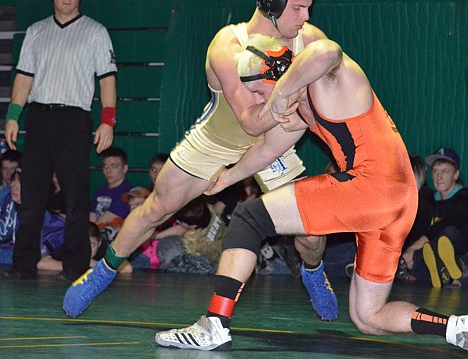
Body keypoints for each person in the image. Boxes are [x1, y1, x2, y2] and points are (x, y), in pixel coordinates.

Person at [154, 35, 468, 352]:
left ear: (275, 72)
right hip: (397, 202)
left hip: (372, 184)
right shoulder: (299, 110)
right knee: (368, 317)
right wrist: (225, 179)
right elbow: (267, 149)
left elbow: (327, 50)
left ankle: (214, 325)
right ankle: (456, 328)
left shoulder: (330, 80)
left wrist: (281, 94)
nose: (259, 101)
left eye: (259, 90)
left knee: (250, 218)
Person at [63, 0, 338, 321]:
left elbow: (329, 99)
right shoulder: (227, 45)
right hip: (220, 137)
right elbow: (247, 121)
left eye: (308, 8)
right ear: (271, 2)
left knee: (311, 229)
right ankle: (102, 271)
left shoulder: (311, 41)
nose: (305, 17)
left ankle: (314, 273)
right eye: (298, 8)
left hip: (275, 143)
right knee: (158, 206)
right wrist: (284, 107)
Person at [3, 0, 117, 281]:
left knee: (75, 195)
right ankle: (23, 263)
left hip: (75, 119)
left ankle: (76, 265)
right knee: (31, 196)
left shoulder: (95, 32)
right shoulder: (36, 31)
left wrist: (108, 121)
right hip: (39, 117)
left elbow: (107, 80)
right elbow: (24, 77)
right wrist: (13, 115)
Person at [401, 148, 468, 288]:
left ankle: (458, 267)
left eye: (445, 171)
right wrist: (409, 253)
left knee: (447, 233)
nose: (439, 177)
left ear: (456, 175)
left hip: (462, 251)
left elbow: (445, 223)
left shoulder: (464, 197)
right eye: (436, 171)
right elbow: (416, 231)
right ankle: (449, 275)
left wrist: (414, 246)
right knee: (422, 254)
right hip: (433, 252)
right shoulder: (428, 200)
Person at [38, 222, 132, 274]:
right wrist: (76, 265)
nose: (88, 250)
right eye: (84, 245)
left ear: (99, 243)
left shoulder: (105, 248)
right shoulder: (70, 247)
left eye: (92, 245)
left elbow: (127, 268)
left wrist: (94, 264)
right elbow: (41, 263)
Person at [89, 147, 133, 234]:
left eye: (114, 166)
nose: (108, 171)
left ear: (125, 168)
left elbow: (102, 222)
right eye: (105, 166)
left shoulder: (127, 193)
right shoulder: (100, 191)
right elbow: (92, 219)